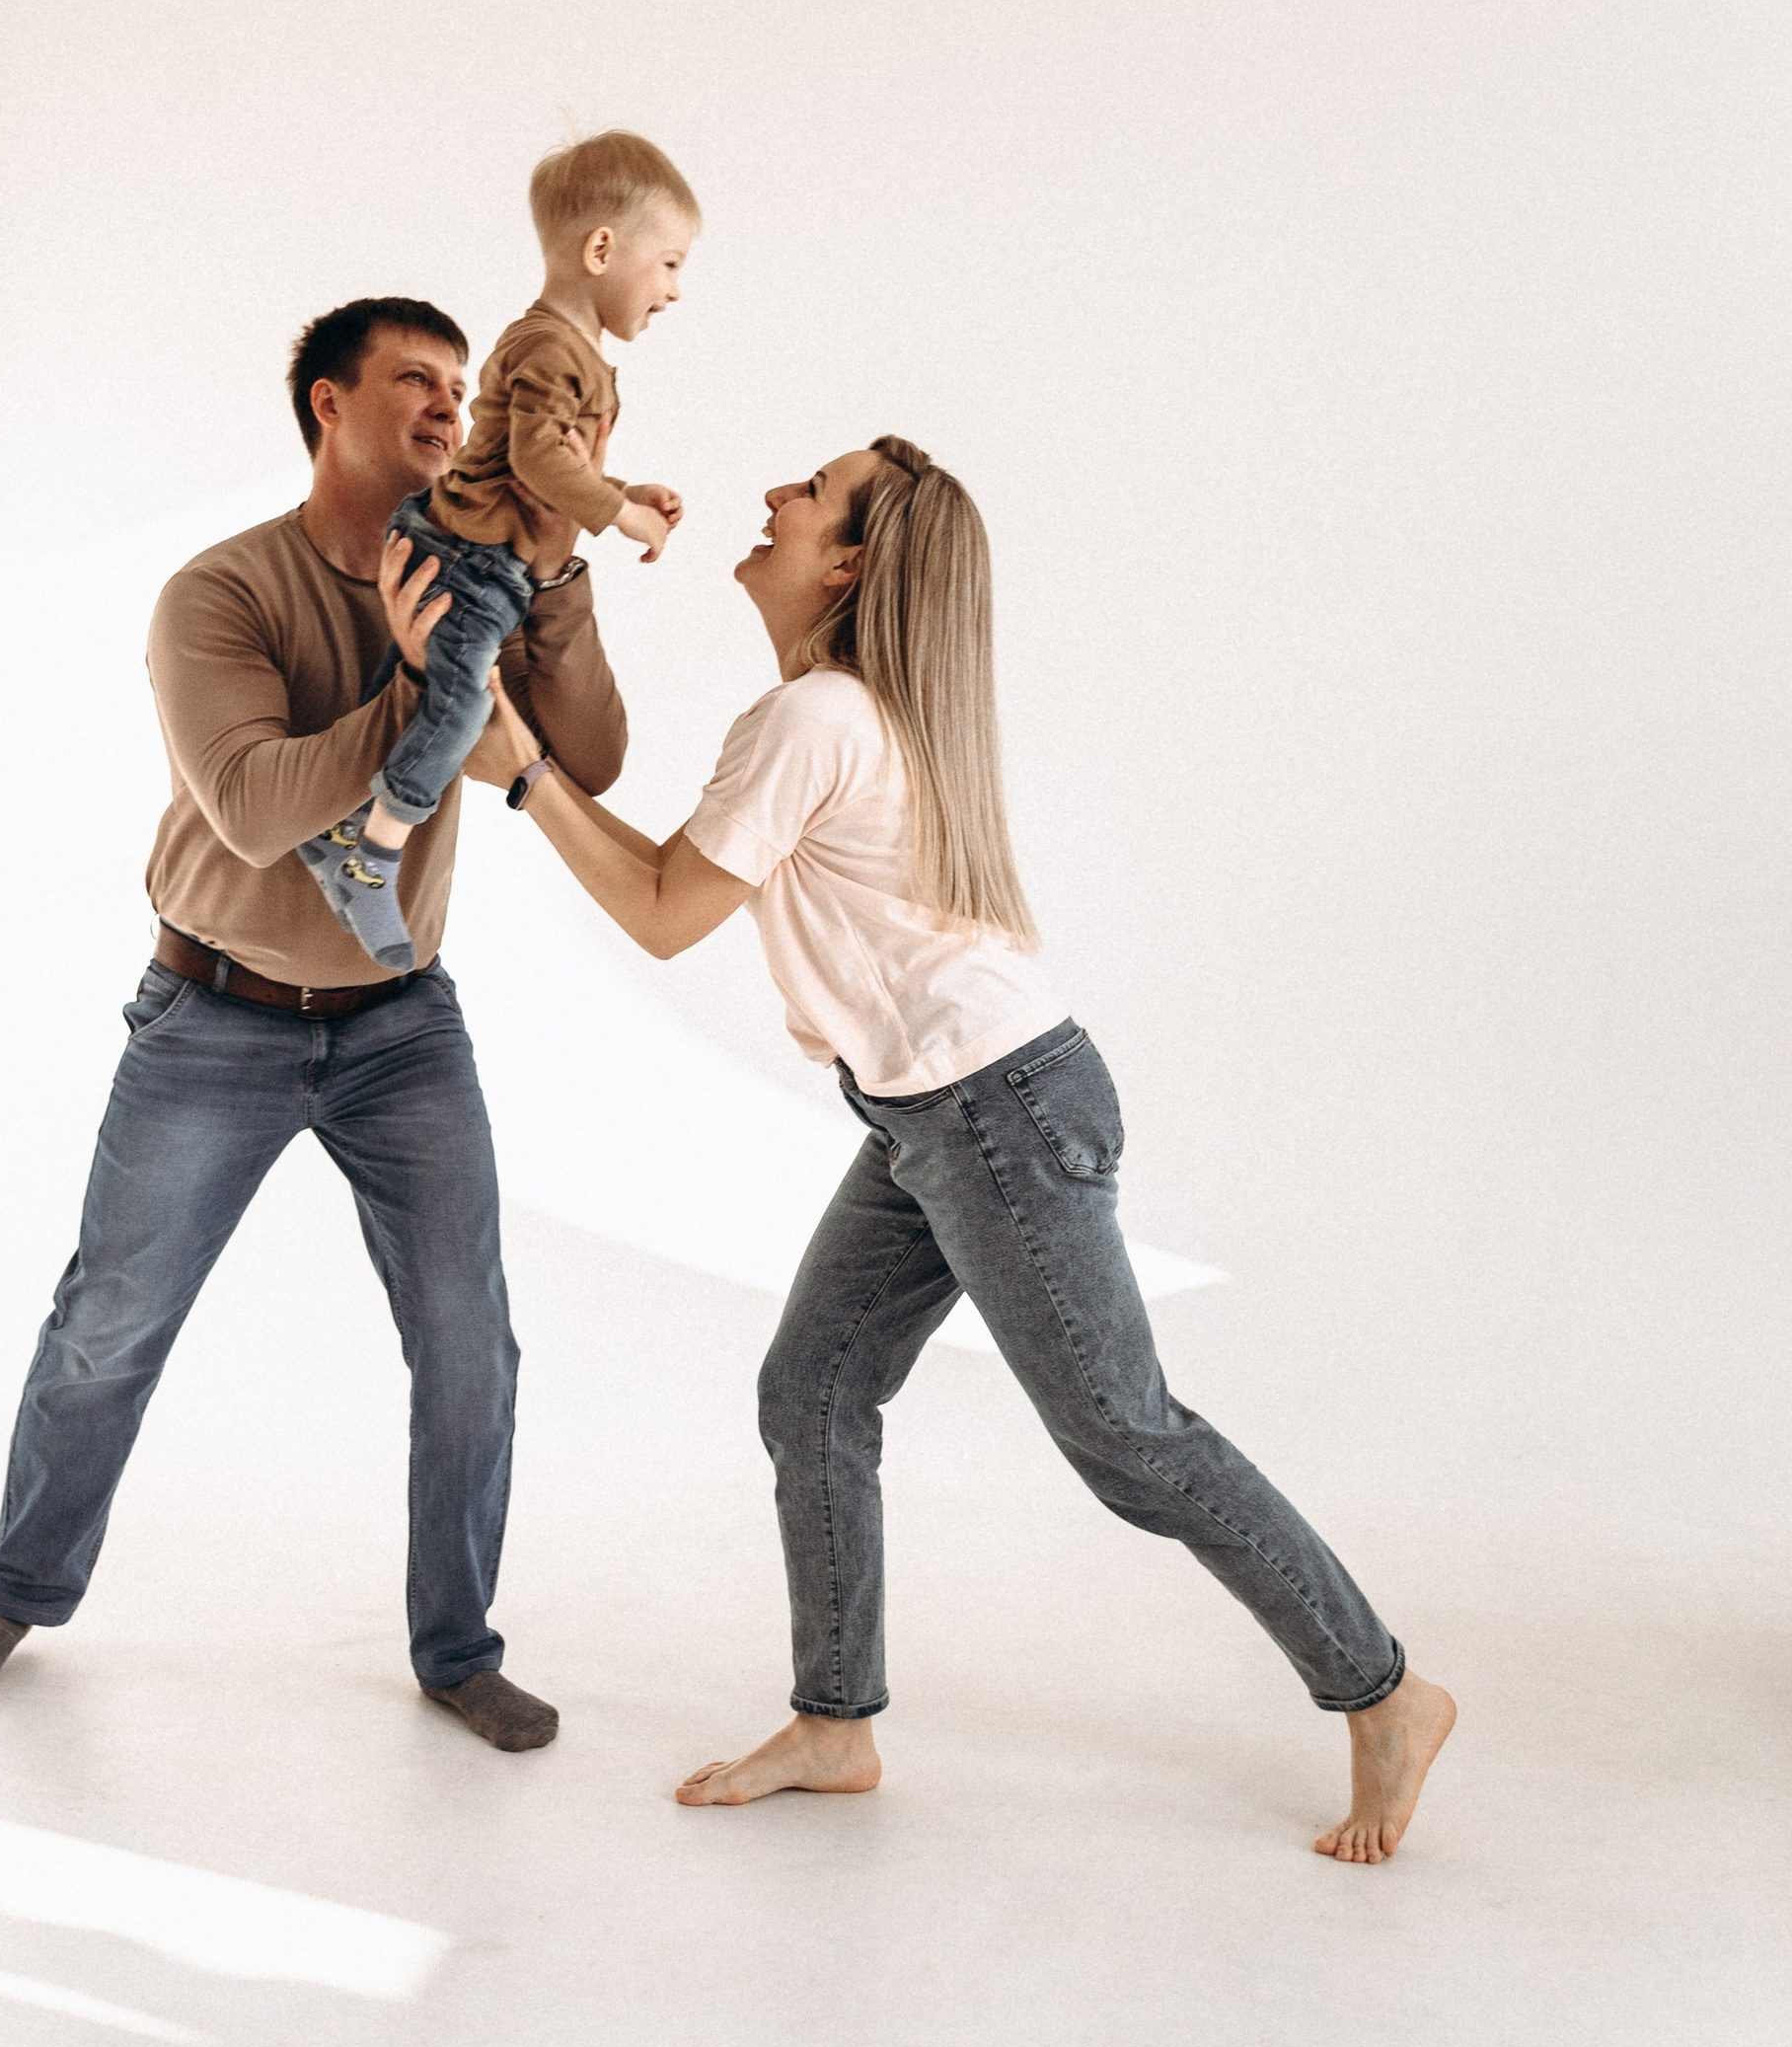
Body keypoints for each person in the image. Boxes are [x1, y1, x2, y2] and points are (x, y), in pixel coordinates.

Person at [467, 435, 1456, 1859]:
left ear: (851, 561)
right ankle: (836, 1720)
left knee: (1128, 1437)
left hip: (992, 1111)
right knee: (813, 1388)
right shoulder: (839, 710)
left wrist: (525, 778)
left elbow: (671, 913)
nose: (774, 500)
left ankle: (1384, 1692)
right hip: (941, 1111)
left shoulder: (814, 717)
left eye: (809, 493)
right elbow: (690, 899)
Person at [0, 297, 630, 1752]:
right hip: (214, 1014)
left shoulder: (488, 570)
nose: (450, 404)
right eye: (414, 380)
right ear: (326, 404)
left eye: (460, 383)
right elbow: (249, 809)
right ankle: (20, 1590)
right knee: (107, 1326)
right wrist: (419, 685)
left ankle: (455, 1649)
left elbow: (597, 760)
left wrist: (554, 590)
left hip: (401, 1026)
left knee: (470, 1343)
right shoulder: (219, 593)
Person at [296, 134, 695, 973]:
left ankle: (341, 826)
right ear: (601, 250)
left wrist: (623, 487)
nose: (673, 290)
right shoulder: (553, 348)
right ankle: (372, 853)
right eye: (667, 264)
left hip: (478, 554)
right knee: (463, 710)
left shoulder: (566, 351)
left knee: (420, 694)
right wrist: (615, 511)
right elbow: (540, 463)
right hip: (473, 562)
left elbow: (543, 460)